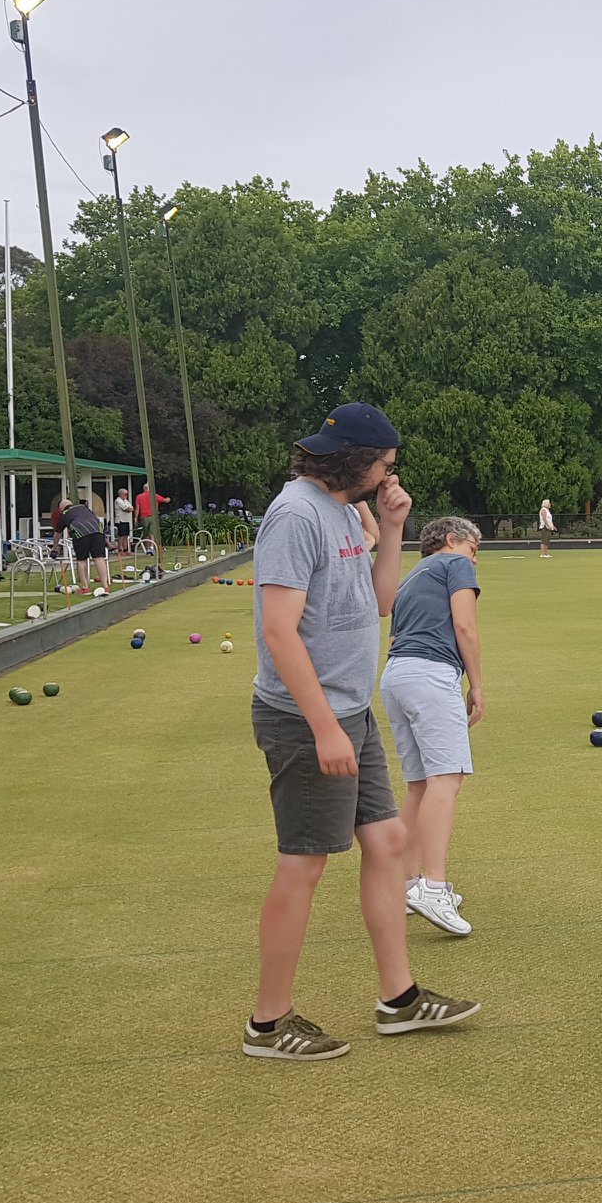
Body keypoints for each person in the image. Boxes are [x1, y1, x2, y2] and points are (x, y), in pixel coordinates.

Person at [245, 402, 477, 1062]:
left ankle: (399, 1000)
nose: (388, 474)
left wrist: (395, 527)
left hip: (349, 710)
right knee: (304, 864)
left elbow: (378, 601)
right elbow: (277, 630)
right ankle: (267, 1023)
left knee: (388, 838)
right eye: (384, 465)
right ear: (354, 462)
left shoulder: (347, 512)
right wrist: (323, 728)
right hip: (304, 718)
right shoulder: (294, 515)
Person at [381, 516, 484, 938]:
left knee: (420, 784)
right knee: (447, 779)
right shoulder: (453, 564)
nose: (475, 563)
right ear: (451, 540)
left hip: (395, 676)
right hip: (430, 674)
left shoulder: (411, 576)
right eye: (474, 551)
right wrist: (476, 685)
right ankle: (434, 887)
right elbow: (464, 625)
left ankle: (402, 885)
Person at [55, 494, 114, 594]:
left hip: (81, 534)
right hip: (98, 532)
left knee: (81, 560)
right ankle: (105, 586)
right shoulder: (84, 508)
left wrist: (55, 547)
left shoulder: (65, 514)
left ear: (61, 508)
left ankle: (85, 587)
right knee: (99, 558)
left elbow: (57, 534)